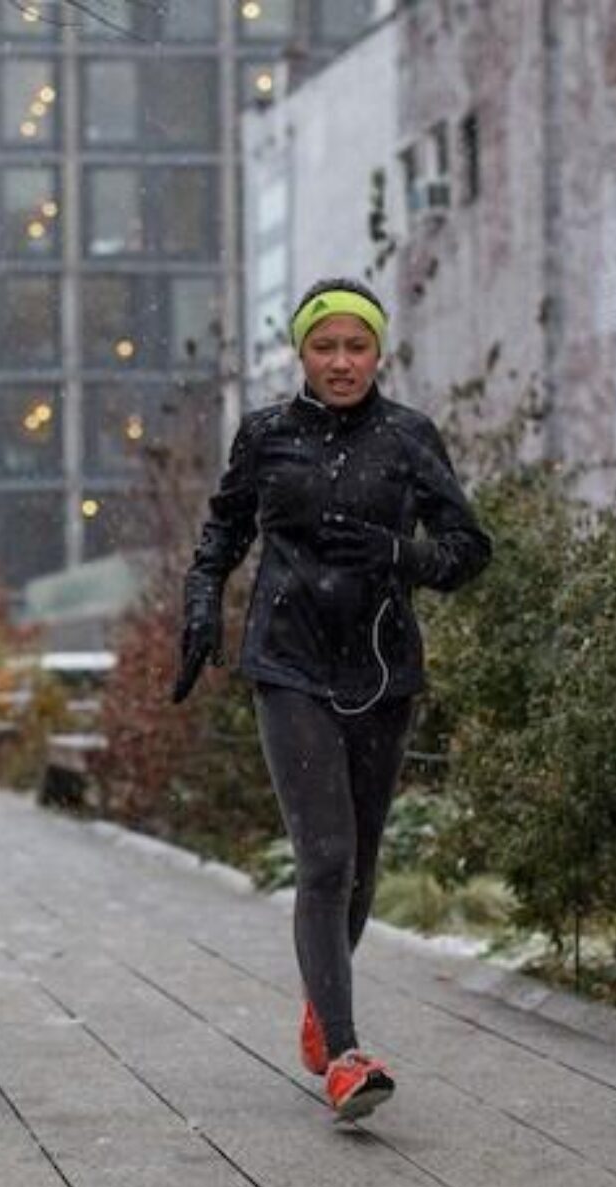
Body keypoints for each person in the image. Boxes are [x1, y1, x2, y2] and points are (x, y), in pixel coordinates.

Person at [171, 277, 492, 1121]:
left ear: (377, 352)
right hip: (289, 664)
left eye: (356, 347)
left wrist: (398, 551)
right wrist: (203, 604)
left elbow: (467, 551)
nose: (341, 362)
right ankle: (346, 1055)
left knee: (361, 864)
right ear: (302, 354)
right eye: (326, 347)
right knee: (323, 858)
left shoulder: (408, 439)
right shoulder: (267, 436)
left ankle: (323, 1009)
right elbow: (222, 536)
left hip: (383, 671)